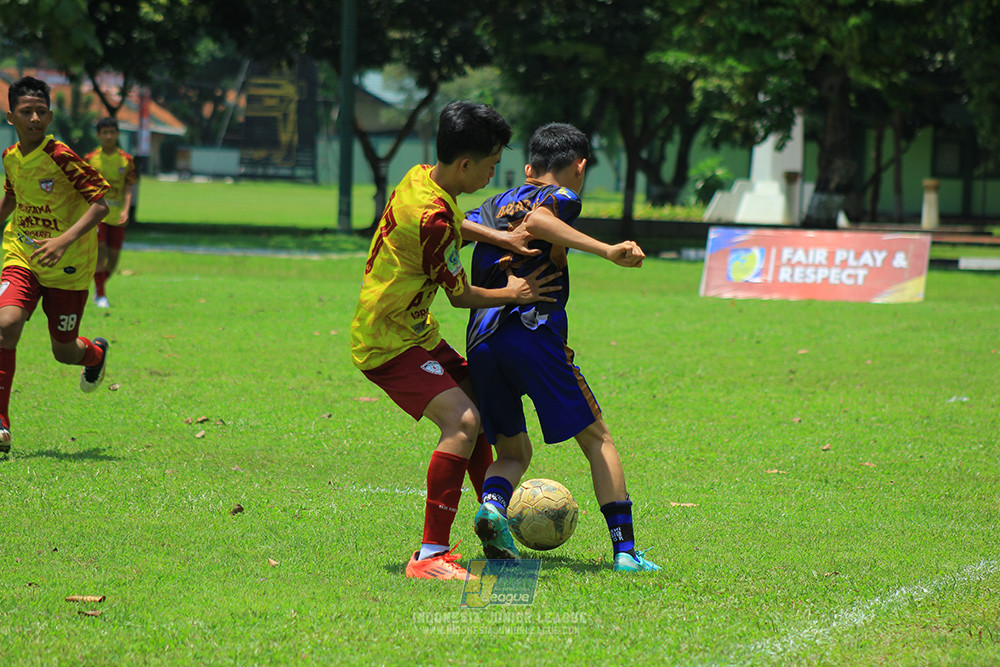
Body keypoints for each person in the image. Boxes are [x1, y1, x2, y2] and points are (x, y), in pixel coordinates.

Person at [349, 100, 560, 581]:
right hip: (388, 342)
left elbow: (450, 219)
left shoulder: (422, 177)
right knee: (463, 422)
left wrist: (501, 239)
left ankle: (492, 524)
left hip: (413, 331)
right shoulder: (432, 221)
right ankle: (428, 556)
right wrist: (512, 292)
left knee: (479, 411)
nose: (492, 174)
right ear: (466, 163)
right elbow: (461, 295)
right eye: (489, 166)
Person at [464, 122, 660, 572]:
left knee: (513, 451)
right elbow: (538, 221)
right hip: (532, 333)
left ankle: (493, 509)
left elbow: (456, 226)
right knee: (597, 438)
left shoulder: (492, 203)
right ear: (580, 166)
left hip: (482, 339)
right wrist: (607, 250)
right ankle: (626, 551)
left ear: (529, 166)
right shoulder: (561, 196)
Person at [0, 76, 112, 454]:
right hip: (22, 254)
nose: (34, 118)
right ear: (11, 116)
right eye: (26, 111)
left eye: (41, 112)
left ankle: (95, 353)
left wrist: (64, 241)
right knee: (5, 326)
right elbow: (13, 197)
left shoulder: (61, 156)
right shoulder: (10, 157)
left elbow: (100, 204)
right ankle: (0, 423)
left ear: (50, 118)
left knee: (64, 350)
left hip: (70, 266)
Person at [84, 117, 137, 309]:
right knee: (100, 254)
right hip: (98, 215)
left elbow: (129, 186)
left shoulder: (126, 159)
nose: (108, 136)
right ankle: (101, 295)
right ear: (98, 135)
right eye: (104, 132)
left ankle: (97, 288)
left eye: (112, 132)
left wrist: (126, 210)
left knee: (113, 261)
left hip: (118, 217)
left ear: (117, 134)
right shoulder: (90, 159)